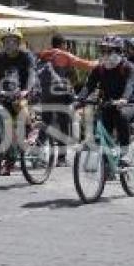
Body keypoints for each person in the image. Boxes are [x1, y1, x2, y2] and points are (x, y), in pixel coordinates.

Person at [0, 27, 36, 175]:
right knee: (2, 124)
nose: (10, 44)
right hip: (3, 94)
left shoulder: (26, 56)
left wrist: (27, 89)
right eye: (7, 41)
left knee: (20, 104)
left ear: (19, 42)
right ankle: (8, 157)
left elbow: (31, 74)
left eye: (13, 41)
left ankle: (31, 130)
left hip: (22, 91)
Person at [76, 36, 134, 166]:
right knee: (103, 125)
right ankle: (108, 164)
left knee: (121, 116)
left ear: (119, 52)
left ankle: (125, 152)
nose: (105, 54)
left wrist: (124, 99)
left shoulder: (127, 67)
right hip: (108, 104)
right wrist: (79, 99)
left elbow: (130, 85)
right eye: (103, 51)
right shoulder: (100, 69)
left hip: (128, 104)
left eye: (109, 51)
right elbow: (89, 85)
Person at [36, 33, 96, 166]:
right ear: (63, 45)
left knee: (46, 123)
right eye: (66, 45)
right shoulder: (63, 55)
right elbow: (86, 65)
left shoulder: (43, 55)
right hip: (60, 95)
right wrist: (102, 63)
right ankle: (61, 158)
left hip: (45, 95)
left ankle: (37, 155)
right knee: (64, 125)